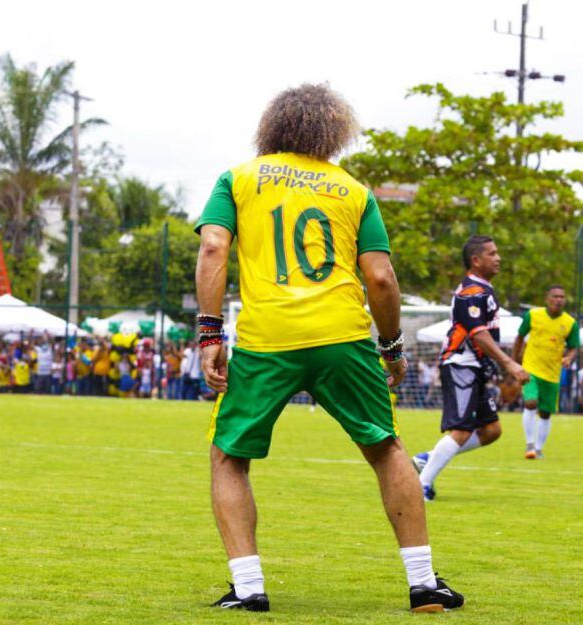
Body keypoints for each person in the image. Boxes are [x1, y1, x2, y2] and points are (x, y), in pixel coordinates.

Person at [193, 84, 462, 613]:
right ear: (335, 131)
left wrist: (209, 333)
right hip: (343, 336)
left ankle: (248, 588)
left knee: (229, 456)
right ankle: (424, 583)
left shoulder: (238, 178)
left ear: (271, 127)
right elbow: (381, 278)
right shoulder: (354, 191)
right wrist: (390, 347)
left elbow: (212, 247)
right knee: (387, 449)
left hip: (267, 340)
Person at [413, 235, 529, 497]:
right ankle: (421, 486)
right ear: (476, 260)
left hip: (474, 367)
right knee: (462, 429)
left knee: (491, 431)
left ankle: (425, 459)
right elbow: (477, 333)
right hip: (460, 365)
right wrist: (509, 363)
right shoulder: (471, 293)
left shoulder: (483, 289)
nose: (498, 258)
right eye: (492, 253)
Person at [511, 285, 578, 459]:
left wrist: (569, 358)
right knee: (531, 403)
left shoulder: (570, 323)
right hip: (530, 368)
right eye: (555, 296)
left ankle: (539, 449)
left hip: (552, 373)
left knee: (546, 412)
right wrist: (514, 362)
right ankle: (529, 445)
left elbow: (573, 348)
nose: (559, 300)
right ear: (547, 299)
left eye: (562, 297)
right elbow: (519, 338)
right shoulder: (532, 316)